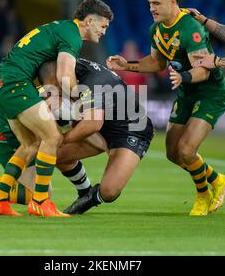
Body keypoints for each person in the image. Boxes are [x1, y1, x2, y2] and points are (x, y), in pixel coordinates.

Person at [106, 0, 225, 216]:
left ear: (172, 2)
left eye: (156, 3)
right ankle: (219, 180)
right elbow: (155, 63)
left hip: (210, 94)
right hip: (186, 93)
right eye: (149, 3)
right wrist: (127, 65)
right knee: (173, 154)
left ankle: (203, 196)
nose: (151, 8)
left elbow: (203, 71)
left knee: (187, 149)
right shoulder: (155, 30)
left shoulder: (191, 29)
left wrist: (182, 77)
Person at [0, 0, 113, 217]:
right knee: (53, 138)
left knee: (30, 144)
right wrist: (84, 97)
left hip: (3, 81)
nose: (104, 32)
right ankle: (41, 202)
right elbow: (65, 76)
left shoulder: (60, 28)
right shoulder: (72, 34)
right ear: (89, 21)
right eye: (103, 26)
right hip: (14, 82)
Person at [37, 58, 154, 214]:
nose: (54, 93)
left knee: (109, 192)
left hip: (131, 130)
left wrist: (62, 139)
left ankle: (92, 198)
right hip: (101, 127)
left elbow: (93, 123)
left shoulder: (94, 80)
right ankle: (85, 191)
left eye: (55, 88)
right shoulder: (69, 72)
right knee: (55, 155)